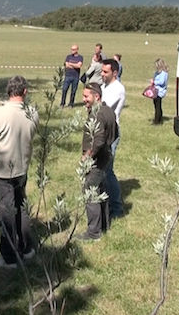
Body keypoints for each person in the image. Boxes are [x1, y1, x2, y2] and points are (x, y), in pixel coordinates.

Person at [0, 75, 39, 268]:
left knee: (6, 213)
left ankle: (9, 257)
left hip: (2, 170)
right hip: (22, 168)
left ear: (8, 91)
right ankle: (26, 248)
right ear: (25, 92)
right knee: (21, 207)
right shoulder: (33, 113)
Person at [76, 83, 117, 242]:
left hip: (96, 160)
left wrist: (87, 156)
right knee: (100, 191)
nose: (83, 99)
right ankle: (104, 224)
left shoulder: (97, 115)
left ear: (97, 96)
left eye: (86, 96)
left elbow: (98, 140)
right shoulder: (108, 111)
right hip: (106, 157)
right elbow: (115, 133)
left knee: (90, 192)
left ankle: (93, 232)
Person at [100, 59, 126, 220]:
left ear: (114, 73)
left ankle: (117, 207)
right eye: (101, 71)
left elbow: (103, 107)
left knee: (108, 170)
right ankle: (105, 202)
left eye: (105, 72)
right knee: (102, 170)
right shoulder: (105, 86)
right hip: (101, 131)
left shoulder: (118, 89)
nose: (102, 74)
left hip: (111, 133)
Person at [152, 58, 169, 125]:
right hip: (155, 91)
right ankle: (159, 119)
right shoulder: (157, 73)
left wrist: (154, 82)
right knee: (156, 106)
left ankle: (157, 121)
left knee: (158, 107)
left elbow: (162, 82)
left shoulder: (164, 73)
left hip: (160, 92)